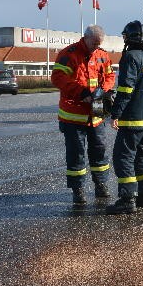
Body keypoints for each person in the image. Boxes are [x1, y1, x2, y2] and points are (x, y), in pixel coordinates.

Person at [51, 24, 115, 204]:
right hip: (73, 114)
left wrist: (102, 91)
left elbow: (110, 77)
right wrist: (81, 93)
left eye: (99, 43)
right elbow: (58, 78)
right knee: (76, 154)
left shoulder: (102, 55)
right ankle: (77, 190)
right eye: (94, 43)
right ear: (85, 38)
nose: (96, 47)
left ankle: (101, 185)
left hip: (96, 112)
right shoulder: (68, 54)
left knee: (99, 151)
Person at [106, 21, 143, 215]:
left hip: (132, 118)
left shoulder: (129, 58)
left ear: (129, 37)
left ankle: (127, 200)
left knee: (124, 157)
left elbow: (125, 89)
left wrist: (116, 113)